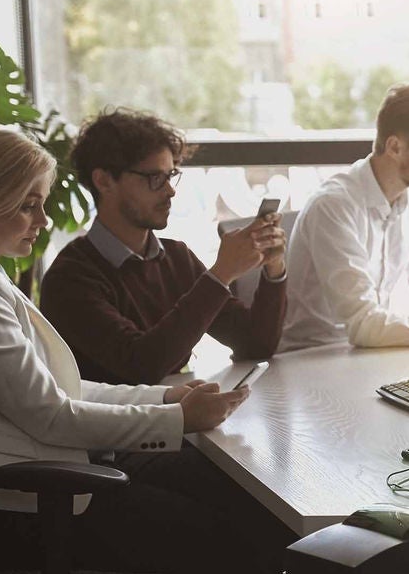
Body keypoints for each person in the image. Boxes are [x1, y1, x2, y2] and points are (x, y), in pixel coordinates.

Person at [0, 129, 294, 574]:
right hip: (34, 506)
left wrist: (165, 400)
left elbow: (60, 390)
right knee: (243, 544)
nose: (43, 221)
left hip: (48, 482)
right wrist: (178, 420)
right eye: (28, 206)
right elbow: (51, 415)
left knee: (243, 504)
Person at [40, 108, 286, 386]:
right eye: (155, 178)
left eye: (171, 175)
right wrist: (221, 274)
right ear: (104, 181)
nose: (170, 190)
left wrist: (274, 268)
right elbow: (141, 366)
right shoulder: (69, 279)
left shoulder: (176, 258)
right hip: (116, 416)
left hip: (177, 410)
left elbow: (255, 345)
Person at [283, 85, 409, 350]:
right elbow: (364, 324)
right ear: (394, 147)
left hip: (367, 353)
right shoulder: (334, 206)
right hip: (312, 356)